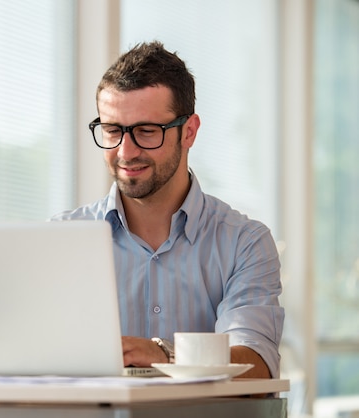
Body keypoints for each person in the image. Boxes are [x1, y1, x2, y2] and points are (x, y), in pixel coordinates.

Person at [51, 41, 284, 379]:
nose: (125, 152)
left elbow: (257, 366)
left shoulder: (245, 243)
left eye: (147, 131)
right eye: (113, 130)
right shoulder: (62, 239)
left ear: (188, 132)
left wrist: (164, 355)